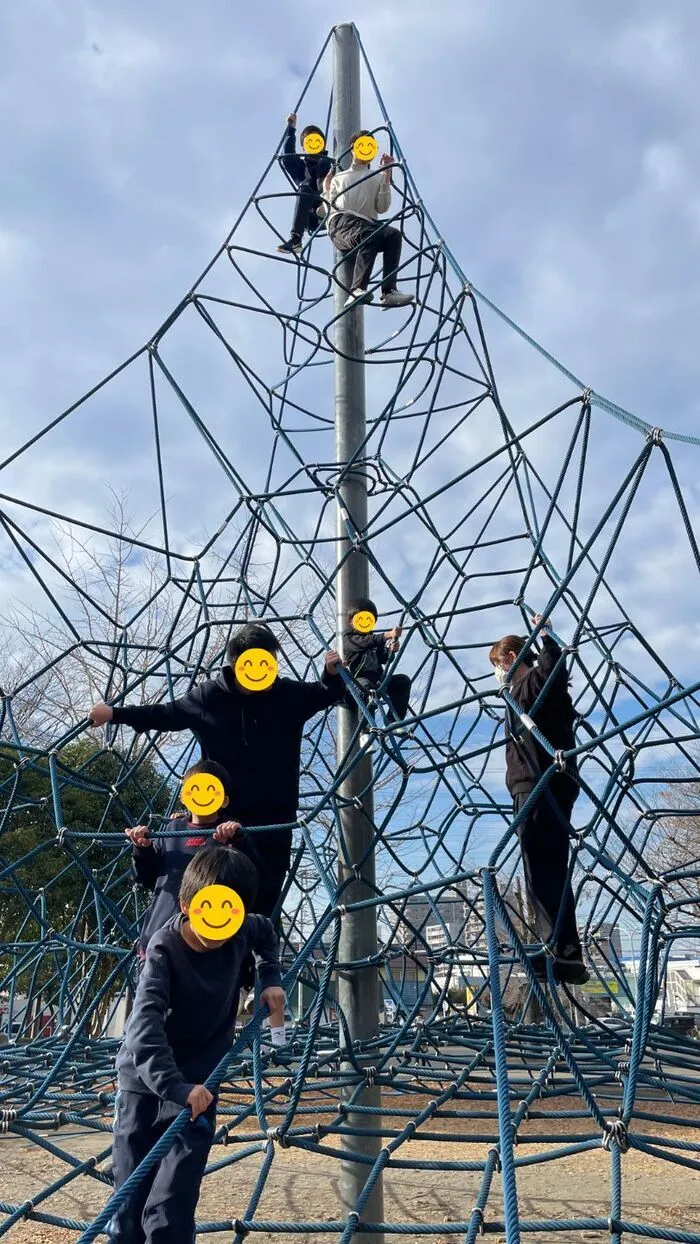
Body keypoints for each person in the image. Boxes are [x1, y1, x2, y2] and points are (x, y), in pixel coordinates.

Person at [89, 622, 343, 925]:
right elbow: (167, 714)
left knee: (262, 906)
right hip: (222, 820)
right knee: (216, 900)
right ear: (236, 664)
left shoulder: (286, 695)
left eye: (268, 663)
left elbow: (323, 694)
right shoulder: (210, 697)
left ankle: (257, 955)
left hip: (274, 821)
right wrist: (115, 713)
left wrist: (330, 673)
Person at [109, 846, 284, 1243]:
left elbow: (264, 931)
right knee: (129, 1201)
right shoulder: (163, 949)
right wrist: (175, 1087)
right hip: (145, 1082)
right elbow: (143, 1028)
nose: (220, 931)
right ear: (187, 905)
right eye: (210, 915)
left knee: (174, 1203)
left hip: (200, 1087)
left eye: (231, 918)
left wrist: (270, 976)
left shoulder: (243, 928)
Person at [489, 614, 588, 986]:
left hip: (541, 784)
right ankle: (563, 952)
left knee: (544, 870)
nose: (497, 672)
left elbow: (553, 670)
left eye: (498, 663)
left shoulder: (531, 683)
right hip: (536, 785)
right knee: (545, 870)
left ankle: (560, 951)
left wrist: (546, 636)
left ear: (511, 657)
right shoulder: (517, 694)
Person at [126, 759, 260, 956]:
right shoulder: (171, 830)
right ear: (183, 796)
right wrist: (143, 849)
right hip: (159, 940)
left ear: (224, 800)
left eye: (210, 790)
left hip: (208, 944)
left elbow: (253, 881)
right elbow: (146, 879)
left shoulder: (231, 835)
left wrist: (239, 842)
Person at [322, 129, 414, 310]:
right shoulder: (339, 177)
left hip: (366, 225)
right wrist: (326, 188)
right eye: (361, 145)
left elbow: (382, 207)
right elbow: (329, 207)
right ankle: (357, 289)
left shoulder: (376, 177)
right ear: (353, 148)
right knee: (368, 234)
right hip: (341, 223)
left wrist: (386, 175)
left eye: (369, 146)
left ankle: (388, 292)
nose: (365, 149)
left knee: (393, 235)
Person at [342, 597, 411, 726]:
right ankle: (366, 728)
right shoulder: (348, 638)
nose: (364, 622)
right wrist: (386, 635)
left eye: (368, 619)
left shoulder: (374, 639)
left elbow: (384, 658)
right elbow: (364, 643)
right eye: (360, 619)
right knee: (366, 687)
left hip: (379, 679)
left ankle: (394, 722)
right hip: (358, 680)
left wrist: (391, 650)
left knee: (403, 681)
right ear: (351, 620)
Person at [275, 113, 332, 256]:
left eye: (317, 141)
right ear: (303, 148)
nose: (314, 145)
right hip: (312, 216)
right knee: (304, 189)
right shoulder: (301, 168)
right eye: (309, 142)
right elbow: (287, 158)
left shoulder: (331, 164)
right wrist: (291, 128)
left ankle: (329, 207)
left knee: (331, 168)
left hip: (331, 207)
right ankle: (296, 240)